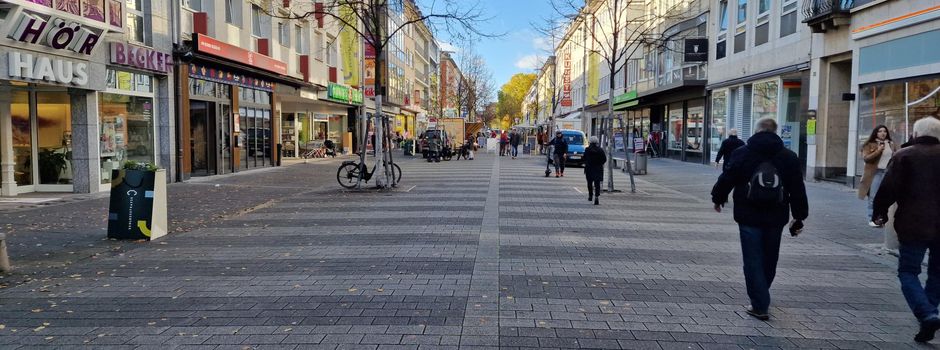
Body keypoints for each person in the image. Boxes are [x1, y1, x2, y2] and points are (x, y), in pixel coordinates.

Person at [711, 118, 808, 321]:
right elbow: (798, 188)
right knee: (770, 258)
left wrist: (718, 198)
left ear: (756, 131)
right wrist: (799, 216)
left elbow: (727, 178)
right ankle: (762, 293)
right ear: (775, 132)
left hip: (748, 214)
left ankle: (759, 304)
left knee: (752, 258)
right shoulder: (789, 157)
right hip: (776, 214)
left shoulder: (743, 153)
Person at [873, 117, 940, 343]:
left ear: (915, 133)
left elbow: (888, 188)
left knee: (908, 271)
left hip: (913, 224)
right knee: (937, 273)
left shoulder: (905, 155)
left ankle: (927, 313)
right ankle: (929, 314)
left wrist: (879, 211)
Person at [858, 125, 899, 227]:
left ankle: (880, 218)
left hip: (888, 173)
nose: (883, 133)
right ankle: (871, 218)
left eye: (884, 131)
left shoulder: (891, 143)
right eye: (880, 131)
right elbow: (866, 158)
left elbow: (896, 155)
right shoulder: (869, 144)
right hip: (875, 173)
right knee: (874, 196)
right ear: (876, 133)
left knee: (886, 197)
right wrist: (878, 150)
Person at [583, 136, 607, 205]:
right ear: (597, 142)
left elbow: (584, 158)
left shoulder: (587, 150)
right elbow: (604, 159)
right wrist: (599, 163)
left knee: (589, 183)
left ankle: (590, 196)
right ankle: (596, 196)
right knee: (597, 184)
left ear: (590, 142)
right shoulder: (600, 150)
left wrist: (587, 162)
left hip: (589, 169)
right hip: (598, 169)